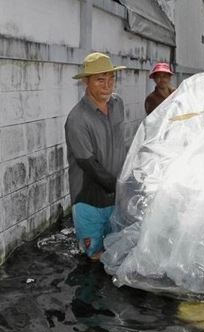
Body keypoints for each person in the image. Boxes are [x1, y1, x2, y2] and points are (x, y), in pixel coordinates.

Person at [65, 52, 128, 260]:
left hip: (116, 197)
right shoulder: (77, 119)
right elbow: (89, 164)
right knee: (94, 256)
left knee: (117, 249)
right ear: (86, 81)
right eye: (100, 80)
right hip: (89, 200)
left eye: (111, 79)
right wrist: (121, 188)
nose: (107, 85)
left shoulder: (117, 104)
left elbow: (123, 144)